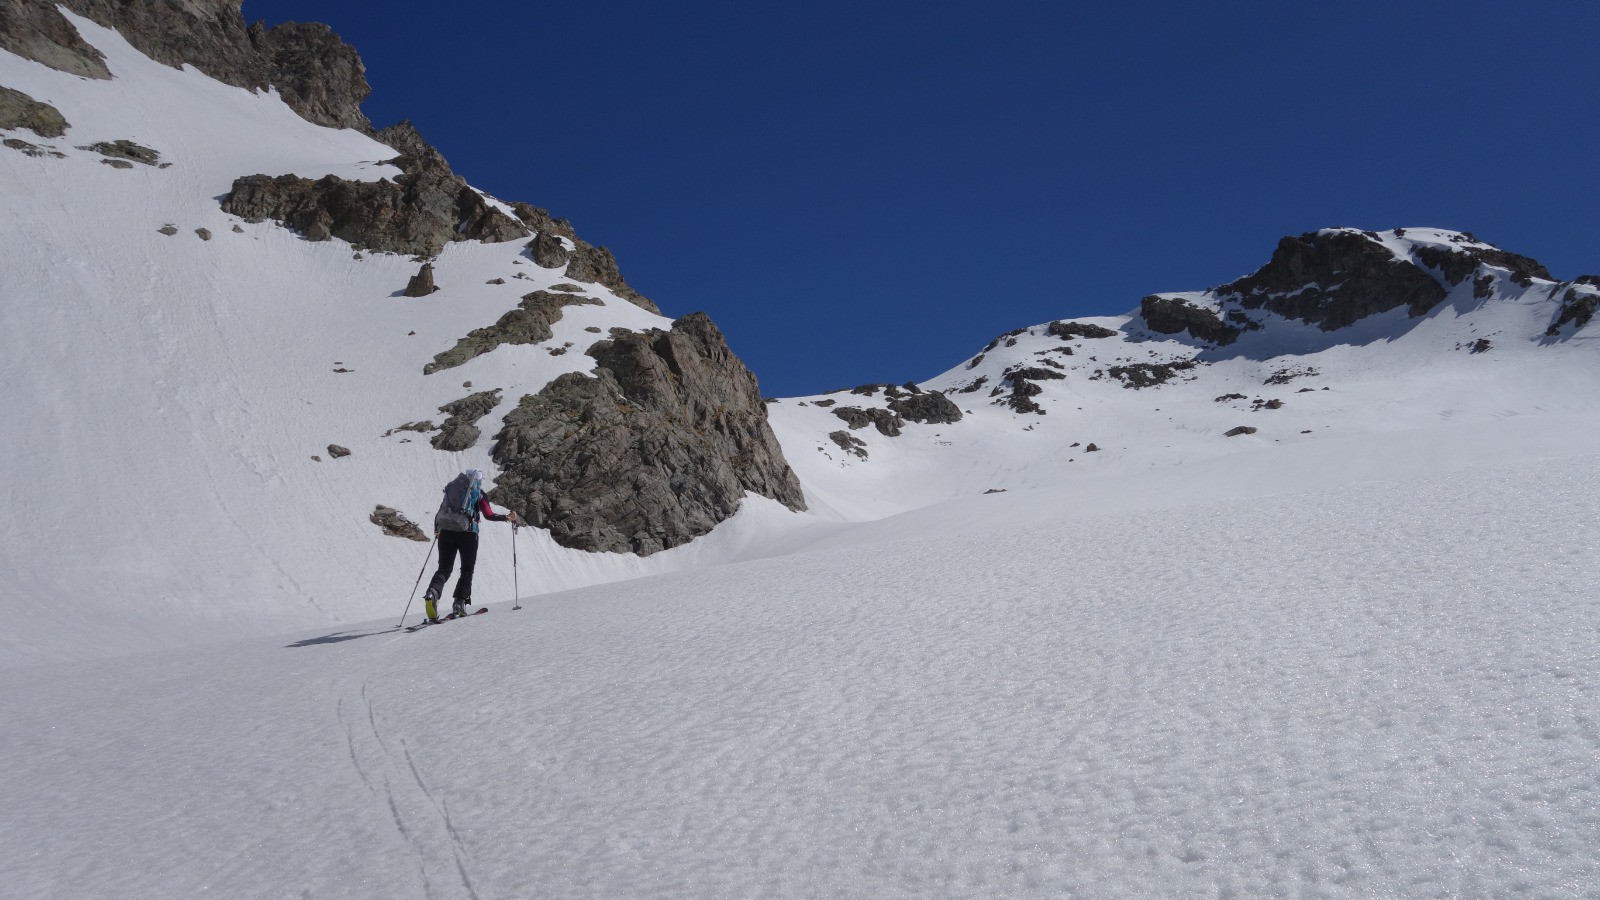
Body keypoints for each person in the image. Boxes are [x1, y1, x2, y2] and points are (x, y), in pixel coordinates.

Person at [423, 468, 517, 622]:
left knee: (444, 569)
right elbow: (488, 515)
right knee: (467, 570)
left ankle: (432, 593)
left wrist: (437, 530)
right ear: (478, 480)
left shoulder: (451, 488)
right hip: (468, 534)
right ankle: (459, 603)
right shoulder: (478, 493)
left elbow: (441, 510)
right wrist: (507, 517)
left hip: (446, 533)